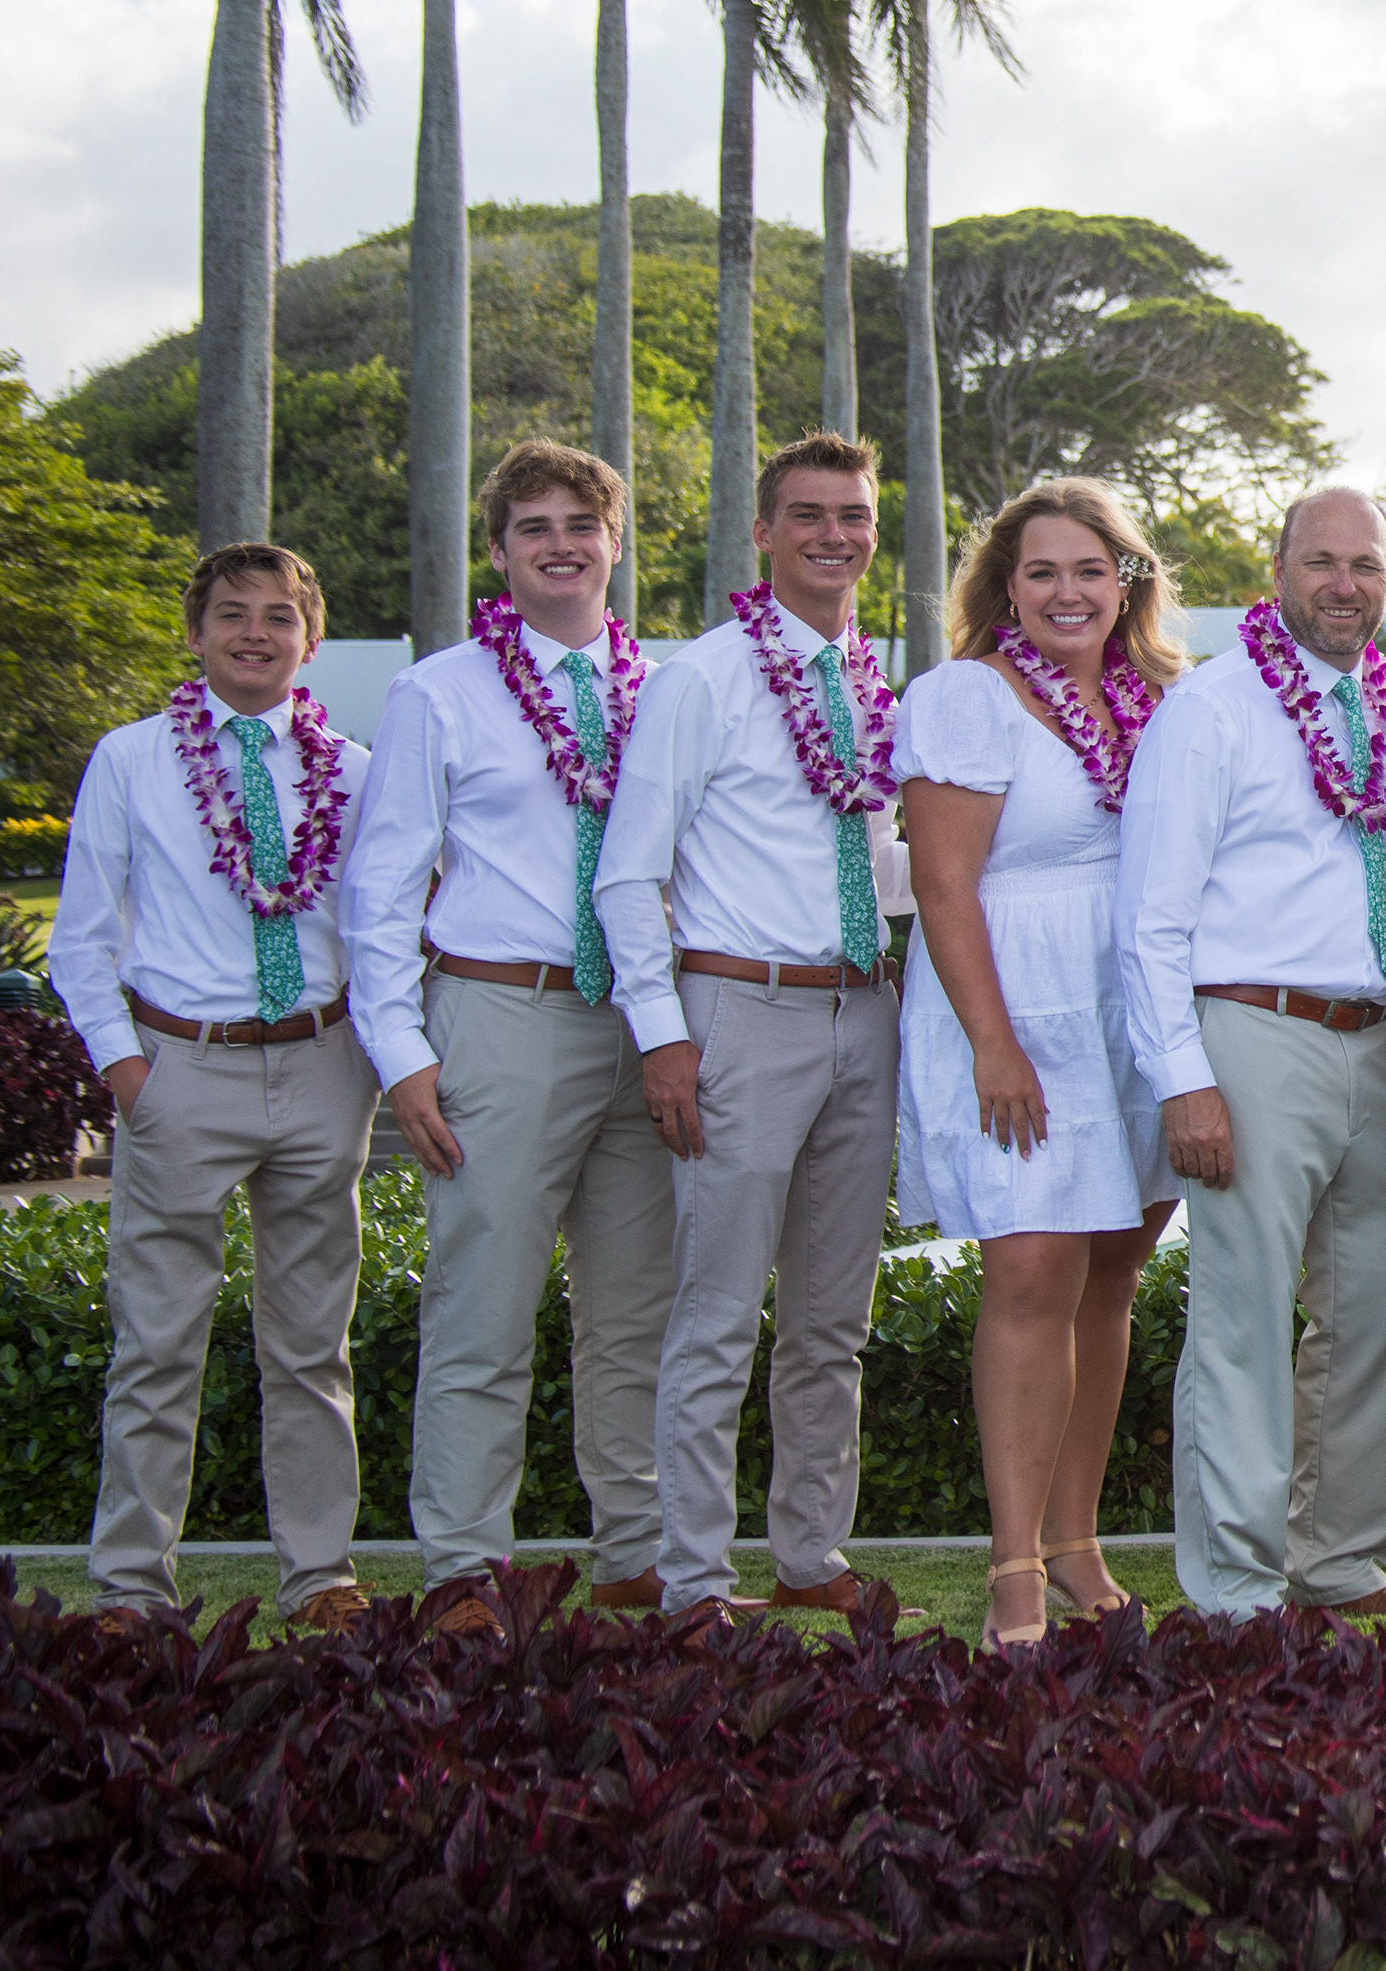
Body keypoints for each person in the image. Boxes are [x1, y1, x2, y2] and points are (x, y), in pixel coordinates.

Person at [344, 443, 671, 1623]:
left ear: (614, 542)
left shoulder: (661, 687)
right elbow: (380, 887)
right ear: (498, 550)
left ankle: (638, 1551)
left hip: (644, 1020)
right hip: (501, 1014)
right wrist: (405, 1054)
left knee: (637, 1309)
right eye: (533, 526)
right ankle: (464, 1567)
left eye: (581, 523)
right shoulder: (440, 692)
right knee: (483, 1308)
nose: (560, 544)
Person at [595, 432, 911, 1617]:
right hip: (738, 1010)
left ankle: (809, 1555)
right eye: (811, 514)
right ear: (765, 532)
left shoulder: (874, 678)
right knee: (717, 1313)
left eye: (856, 515)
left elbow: (880, 851)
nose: (836, 534)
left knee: (833, 1318)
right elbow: (629, 875)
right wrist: (663, 1032)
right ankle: (690, 1576)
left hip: (859, 1011)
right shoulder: (703, 676)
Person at [1118, 486, 1386, 1622]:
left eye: (1366, 564)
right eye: (1322, 561)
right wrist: (1182, 1077)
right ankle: (1237, 1588)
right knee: (1245, 1318)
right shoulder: (1212, 708)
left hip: (1376, 1039)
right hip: (1250, 1034)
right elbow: (1148, 913)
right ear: (1279, 566)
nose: (1345, 584)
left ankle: (1338, 1560)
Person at [54, 543, 378, 1631]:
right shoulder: (132, 759)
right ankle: (131, 1585)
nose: (255, 632)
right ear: (194, 635)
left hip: (321, 1065)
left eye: (279, 615)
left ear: (310, 638)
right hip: (180, 1067)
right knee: (156, 1339)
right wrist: (129, 1070)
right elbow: (82, 936)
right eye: (232, 614)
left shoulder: (356, 768)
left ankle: (320, 1576)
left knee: (311, 1342)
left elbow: (380, 928)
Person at [895, 479, 1187, 1652]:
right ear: (1005, 588)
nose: (1068, 592)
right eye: (1041, 572)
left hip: (1130, 1009)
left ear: (1129, 580)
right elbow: (942, 882)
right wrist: (995, 1042)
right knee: (1028, 1272)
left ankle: (1076, 1546)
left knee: (1110, 1275)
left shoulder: (1160, 699)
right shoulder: (967, 697)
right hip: (1017, 1004)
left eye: (1090, 568)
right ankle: (1012, 1567)